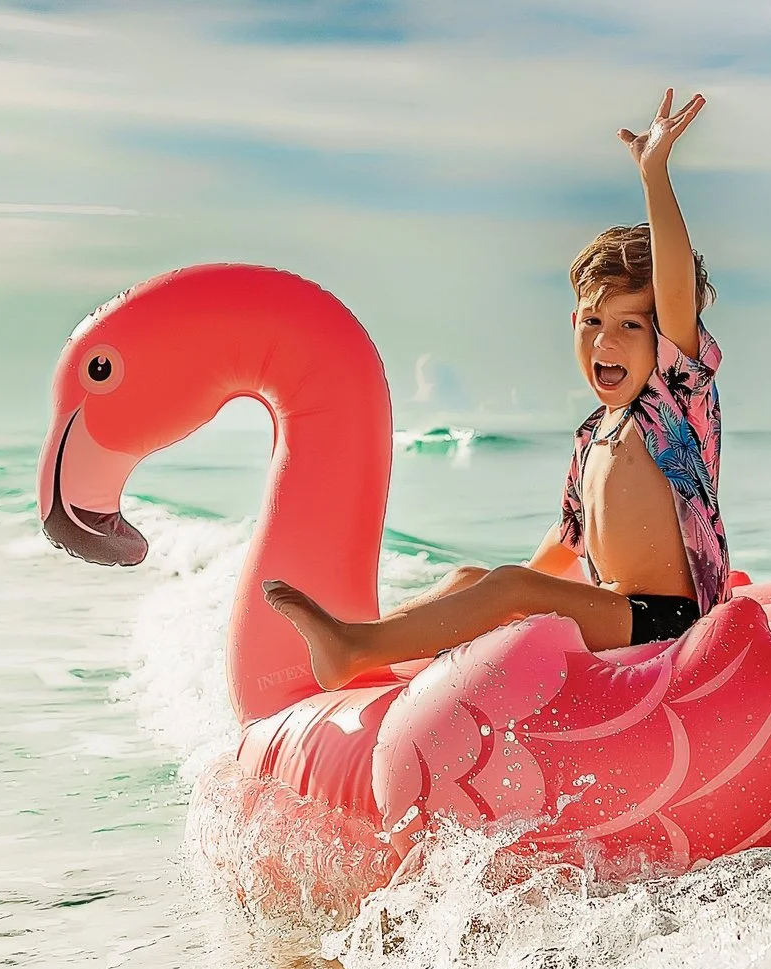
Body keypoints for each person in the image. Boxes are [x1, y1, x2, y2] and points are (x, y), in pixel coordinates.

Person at [264, 88, 726, 691]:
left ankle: (352, 648)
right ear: (572, 325)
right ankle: (368, 645)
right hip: (613, 615)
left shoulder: (675, 399)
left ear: (664, 334)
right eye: (592, 322)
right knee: (471, 580)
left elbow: (672, 289)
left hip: (671, 624)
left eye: (630, 326)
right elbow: (564, 545)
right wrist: (493, 607)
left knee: (507, 587)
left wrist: (654, 175)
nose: (605, 341)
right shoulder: (593, 436)